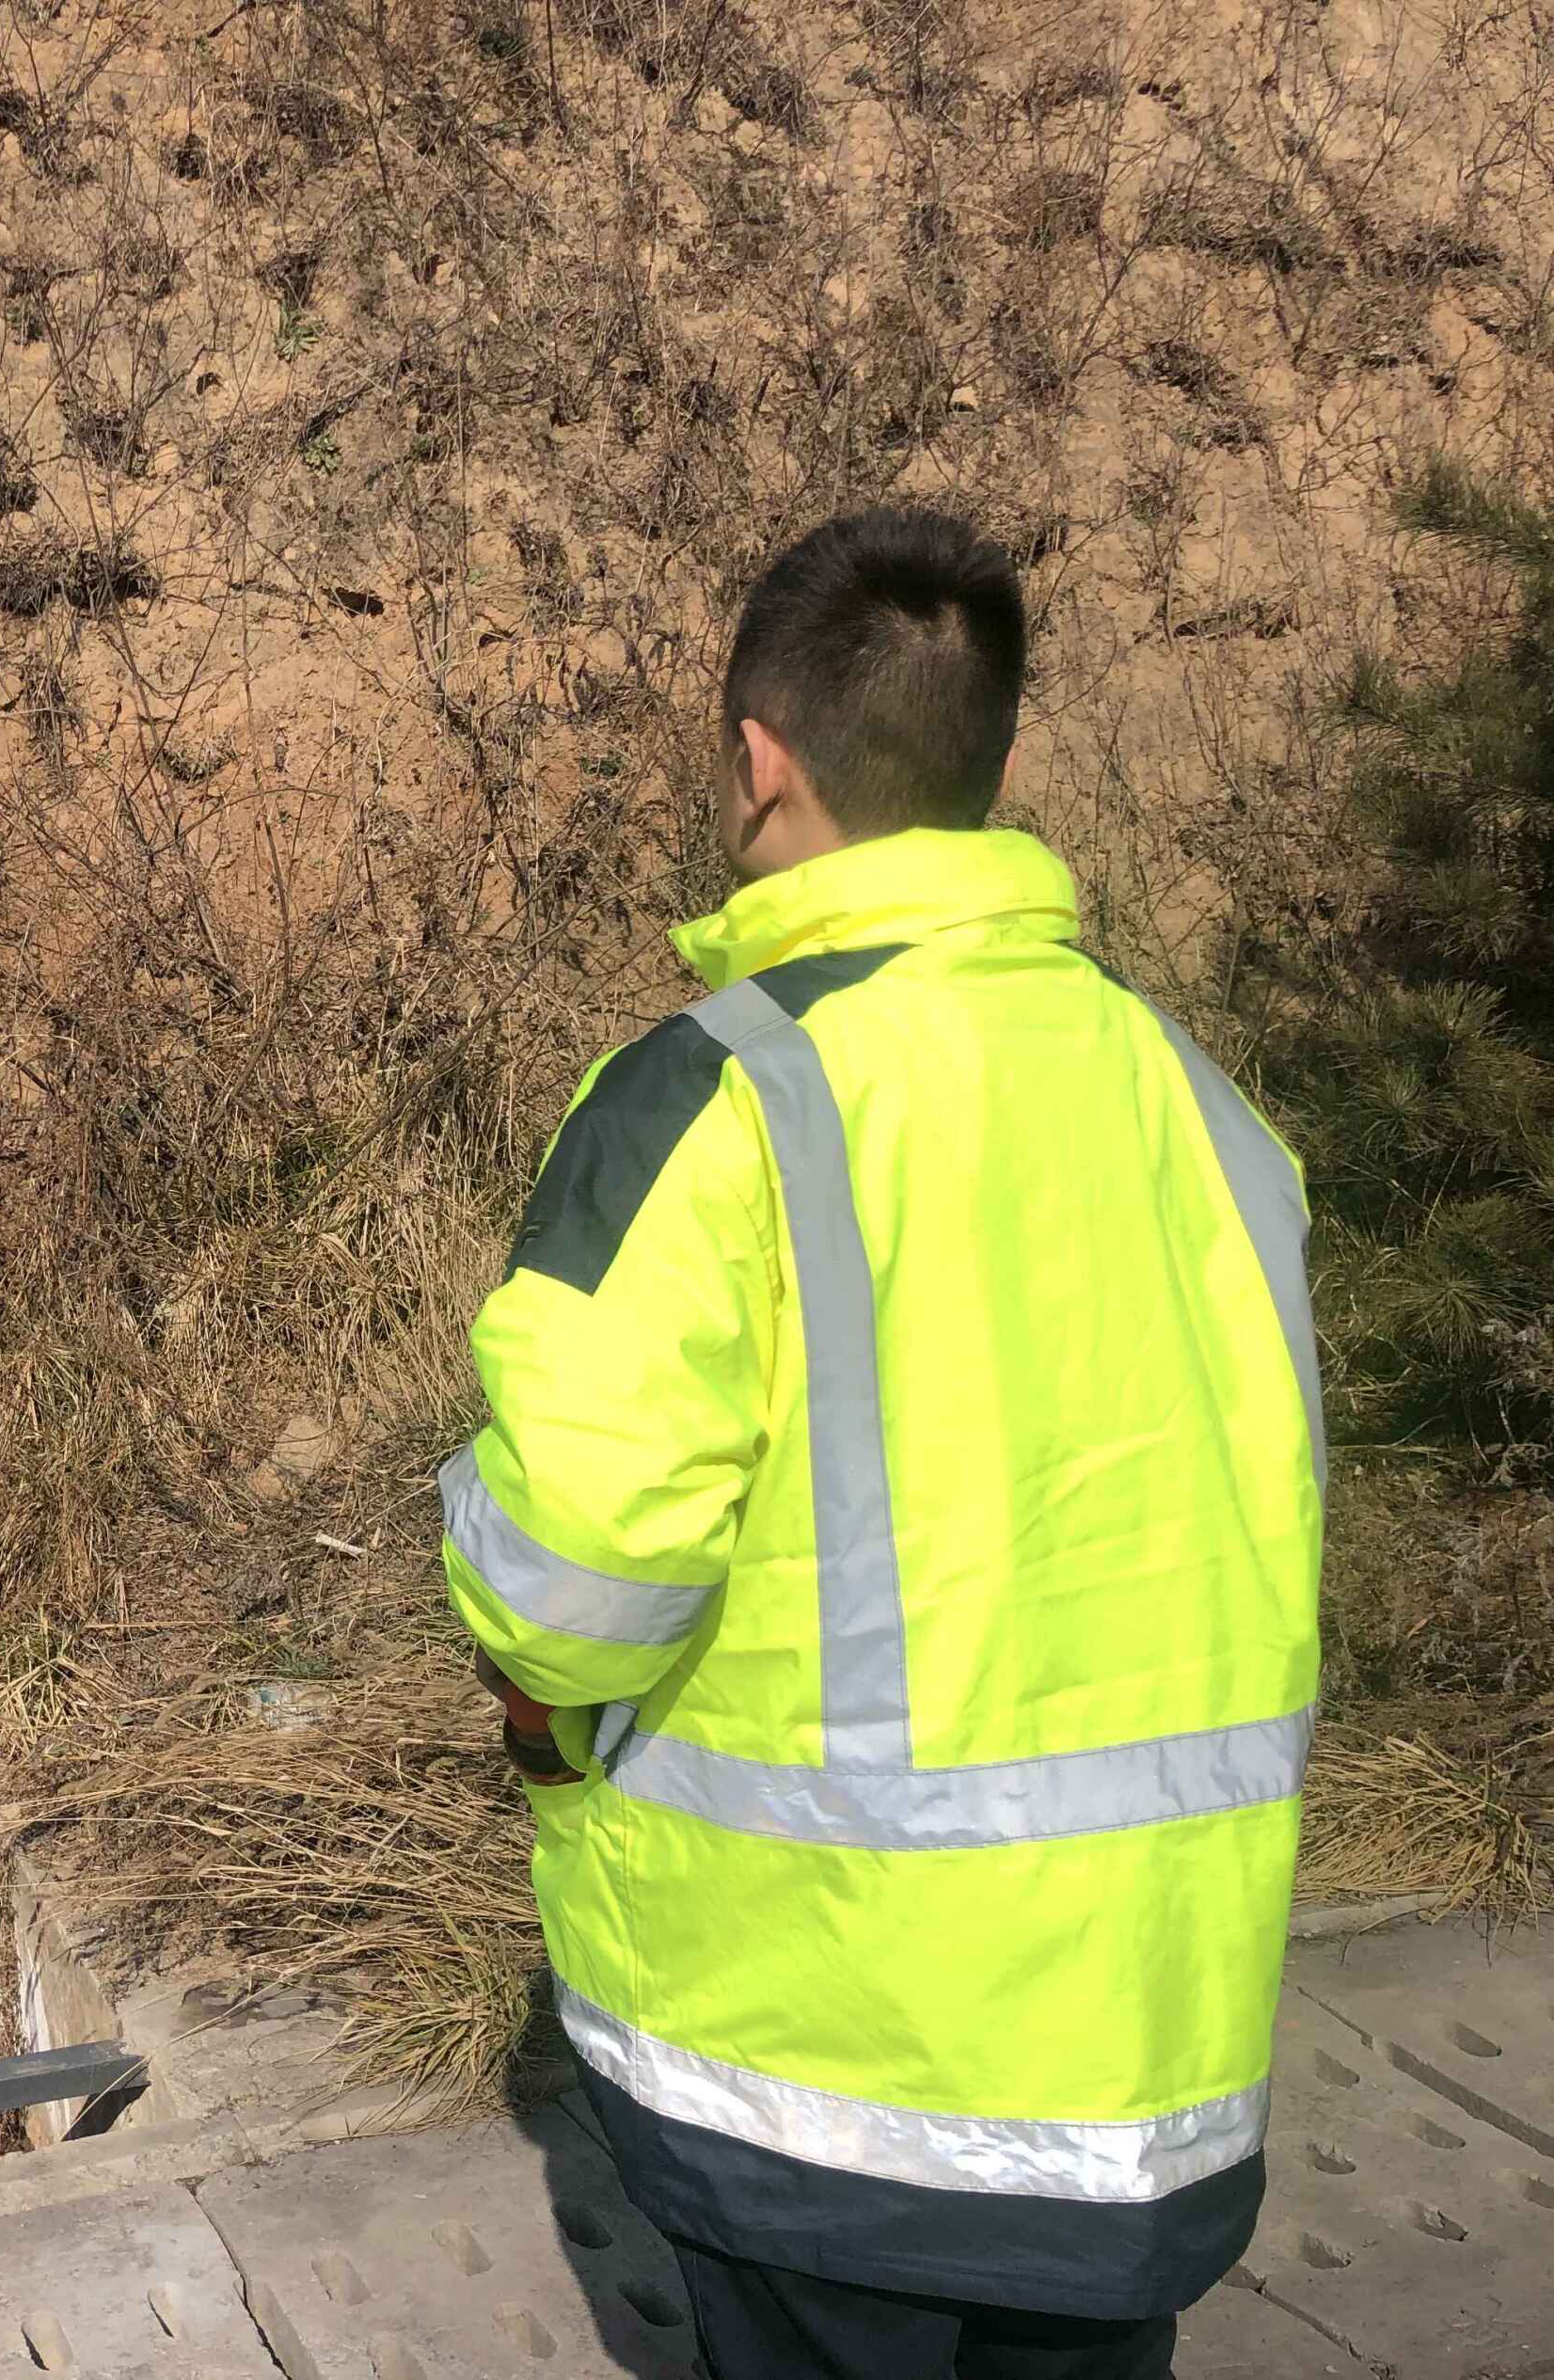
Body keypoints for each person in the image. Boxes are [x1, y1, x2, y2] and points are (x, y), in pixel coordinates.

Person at [443, 509, 1321, 2377]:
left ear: (760, 762)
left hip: (817, 2070)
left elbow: (573, 1576)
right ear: (991, 763)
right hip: (1135, 2068)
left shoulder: (709, 1099)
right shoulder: (1199, 1100)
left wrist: (526, 1697)